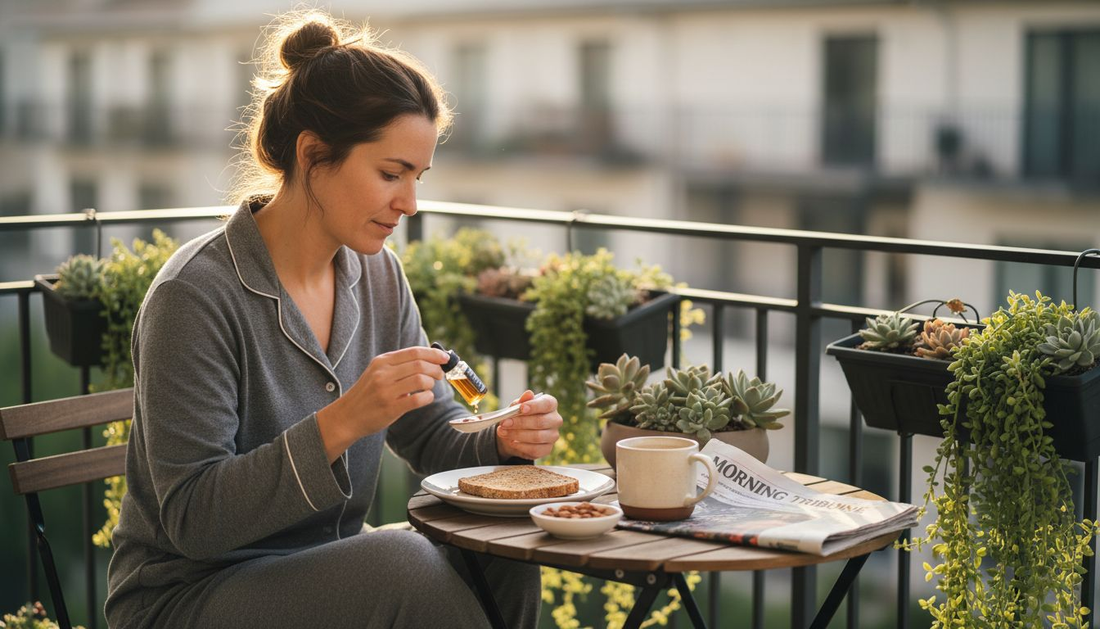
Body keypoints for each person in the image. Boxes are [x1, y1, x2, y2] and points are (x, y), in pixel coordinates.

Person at [105, 11, 562, 629]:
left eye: (417, 177)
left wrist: (497, 440)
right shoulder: (195, 296)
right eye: (390, 174)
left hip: (325, 565)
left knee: (501, 544)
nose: (410, 203)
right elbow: (193, 519)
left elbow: (430, 431)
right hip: (188, 593)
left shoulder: (379, 276)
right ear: (314, 155)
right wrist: (345, 420)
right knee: (402, 563)